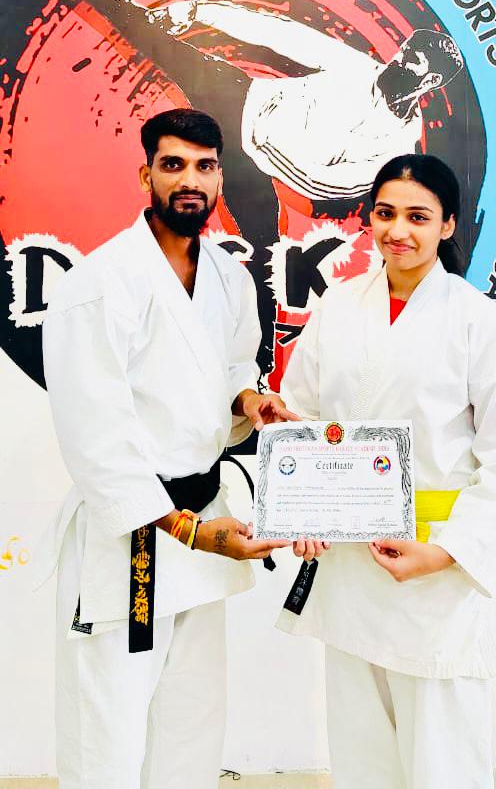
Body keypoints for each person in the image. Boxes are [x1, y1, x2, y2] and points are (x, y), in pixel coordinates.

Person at [11, 0, 463, 370]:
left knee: (263, 255)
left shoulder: (397, 143)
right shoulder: (355, 67)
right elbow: (278, 32)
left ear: (428, 84)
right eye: (402, 55)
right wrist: (199, 10)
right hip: (238, 97)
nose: (395, 66)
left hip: (255, 168)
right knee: (145, 31)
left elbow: (331, 185)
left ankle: (259, 367)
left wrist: (271, 156)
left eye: (410, 67)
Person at [40, 106, 294, 789]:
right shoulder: (101, 282)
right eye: (173, 164)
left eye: (205, 166)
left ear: (220, 178)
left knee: (191, 723)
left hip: (205, 525)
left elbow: (234, 366)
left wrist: (249, 401)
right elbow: (96, 436)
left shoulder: (229, 277)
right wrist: (190, 531)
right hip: (138, 536)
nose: (191, 180)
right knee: (109, 733)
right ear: (145, 174)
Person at [278, 153, 496, 789]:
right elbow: (304, 417)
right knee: (360, 745)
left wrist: (445, 554)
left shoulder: (477, 321)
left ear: (447, 225)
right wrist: (303, 512)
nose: (398, 231)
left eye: (418, 217)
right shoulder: (339, 307)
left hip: (433, 564)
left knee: (443, 752)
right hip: (347, 559)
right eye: (386, 213)